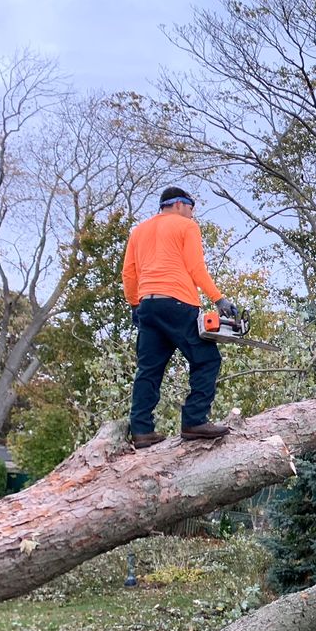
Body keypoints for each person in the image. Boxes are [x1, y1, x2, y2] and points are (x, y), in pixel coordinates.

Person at [122, 186, 237, 449]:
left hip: (148, 305)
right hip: (178, 301)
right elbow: (195, 267)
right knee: (207, 359)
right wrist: (219, 299)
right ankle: (195, 420)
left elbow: (129, 273)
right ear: (178, 204)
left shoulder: (139, 231)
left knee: (148, 370)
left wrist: (134, 305)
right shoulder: (187, 227)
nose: (192, 214)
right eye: (191, 208)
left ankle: (141, 430)